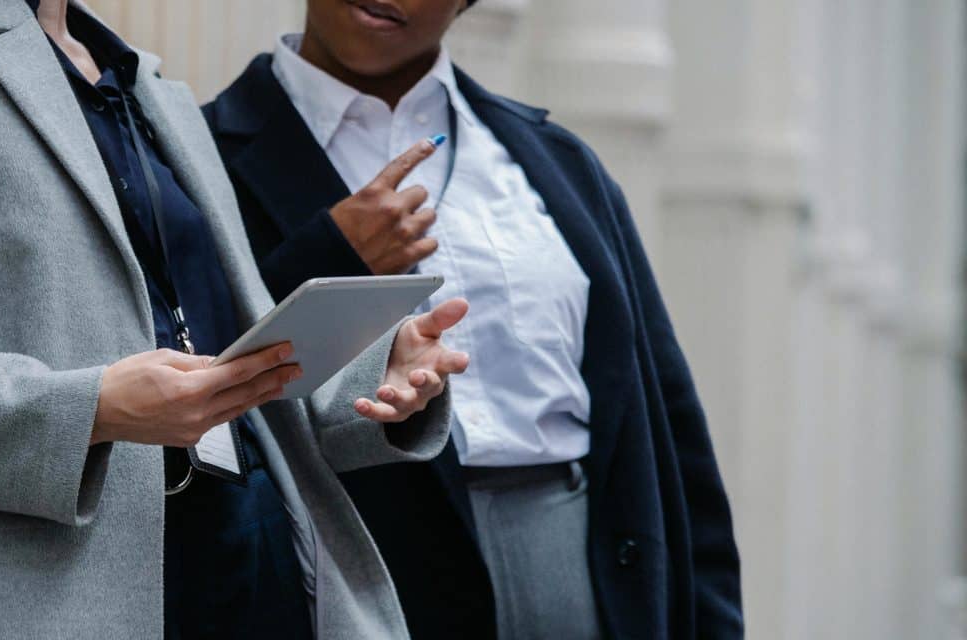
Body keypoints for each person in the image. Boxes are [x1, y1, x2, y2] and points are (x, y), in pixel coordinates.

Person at [0, 0, 472, 637]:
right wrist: (91, 409)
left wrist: (379, 377)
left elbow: (234, 352)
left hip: (259, 556)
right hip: (43, 592)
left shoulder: (151, 87)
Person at [203, 0, 744, 638]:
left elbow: (665, 425)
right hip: (355, 579)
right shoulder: (195, 153)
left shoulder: (559, 163)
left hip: (584, 564)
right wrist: (328, 256)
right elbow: (195, 385)